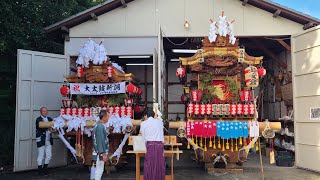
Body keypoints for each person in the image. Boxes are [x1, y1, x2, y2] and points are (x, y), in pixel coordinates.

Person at [140, 108, 165, 180]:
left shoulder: (143, 123)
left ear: (146, 115)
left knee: (149, 166)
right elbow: (162, 136)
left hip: (150, 146)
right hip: (160, 146)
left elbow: (143, 137)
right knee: (159, 166)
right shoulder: (160, 122)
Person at [35, 107, 53, 176]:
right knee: (41, 155)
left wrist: (54, 129)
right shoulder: (38, 119)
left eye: (46, 111)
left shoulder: (50, 119)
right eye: (43, 111)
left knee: (49, 156)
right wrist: (50, 127)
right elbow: (42, 127)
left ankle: (44, 169)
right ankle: (40, 171)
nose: (45, 112)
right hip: (41, 140)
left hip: (48, 140)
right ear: (41, 112)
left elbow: (53, 126)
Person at [92, 110, 109, 180]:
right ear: (104, 117)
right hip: (100, 151)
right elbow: (100, 140)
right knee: (99, 170)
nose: (108, 118)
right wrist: (103, 153)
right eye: (108, 116)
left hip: (98, 150)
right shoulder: (100, 126)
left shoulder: (98, 125)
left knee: (98, 169)